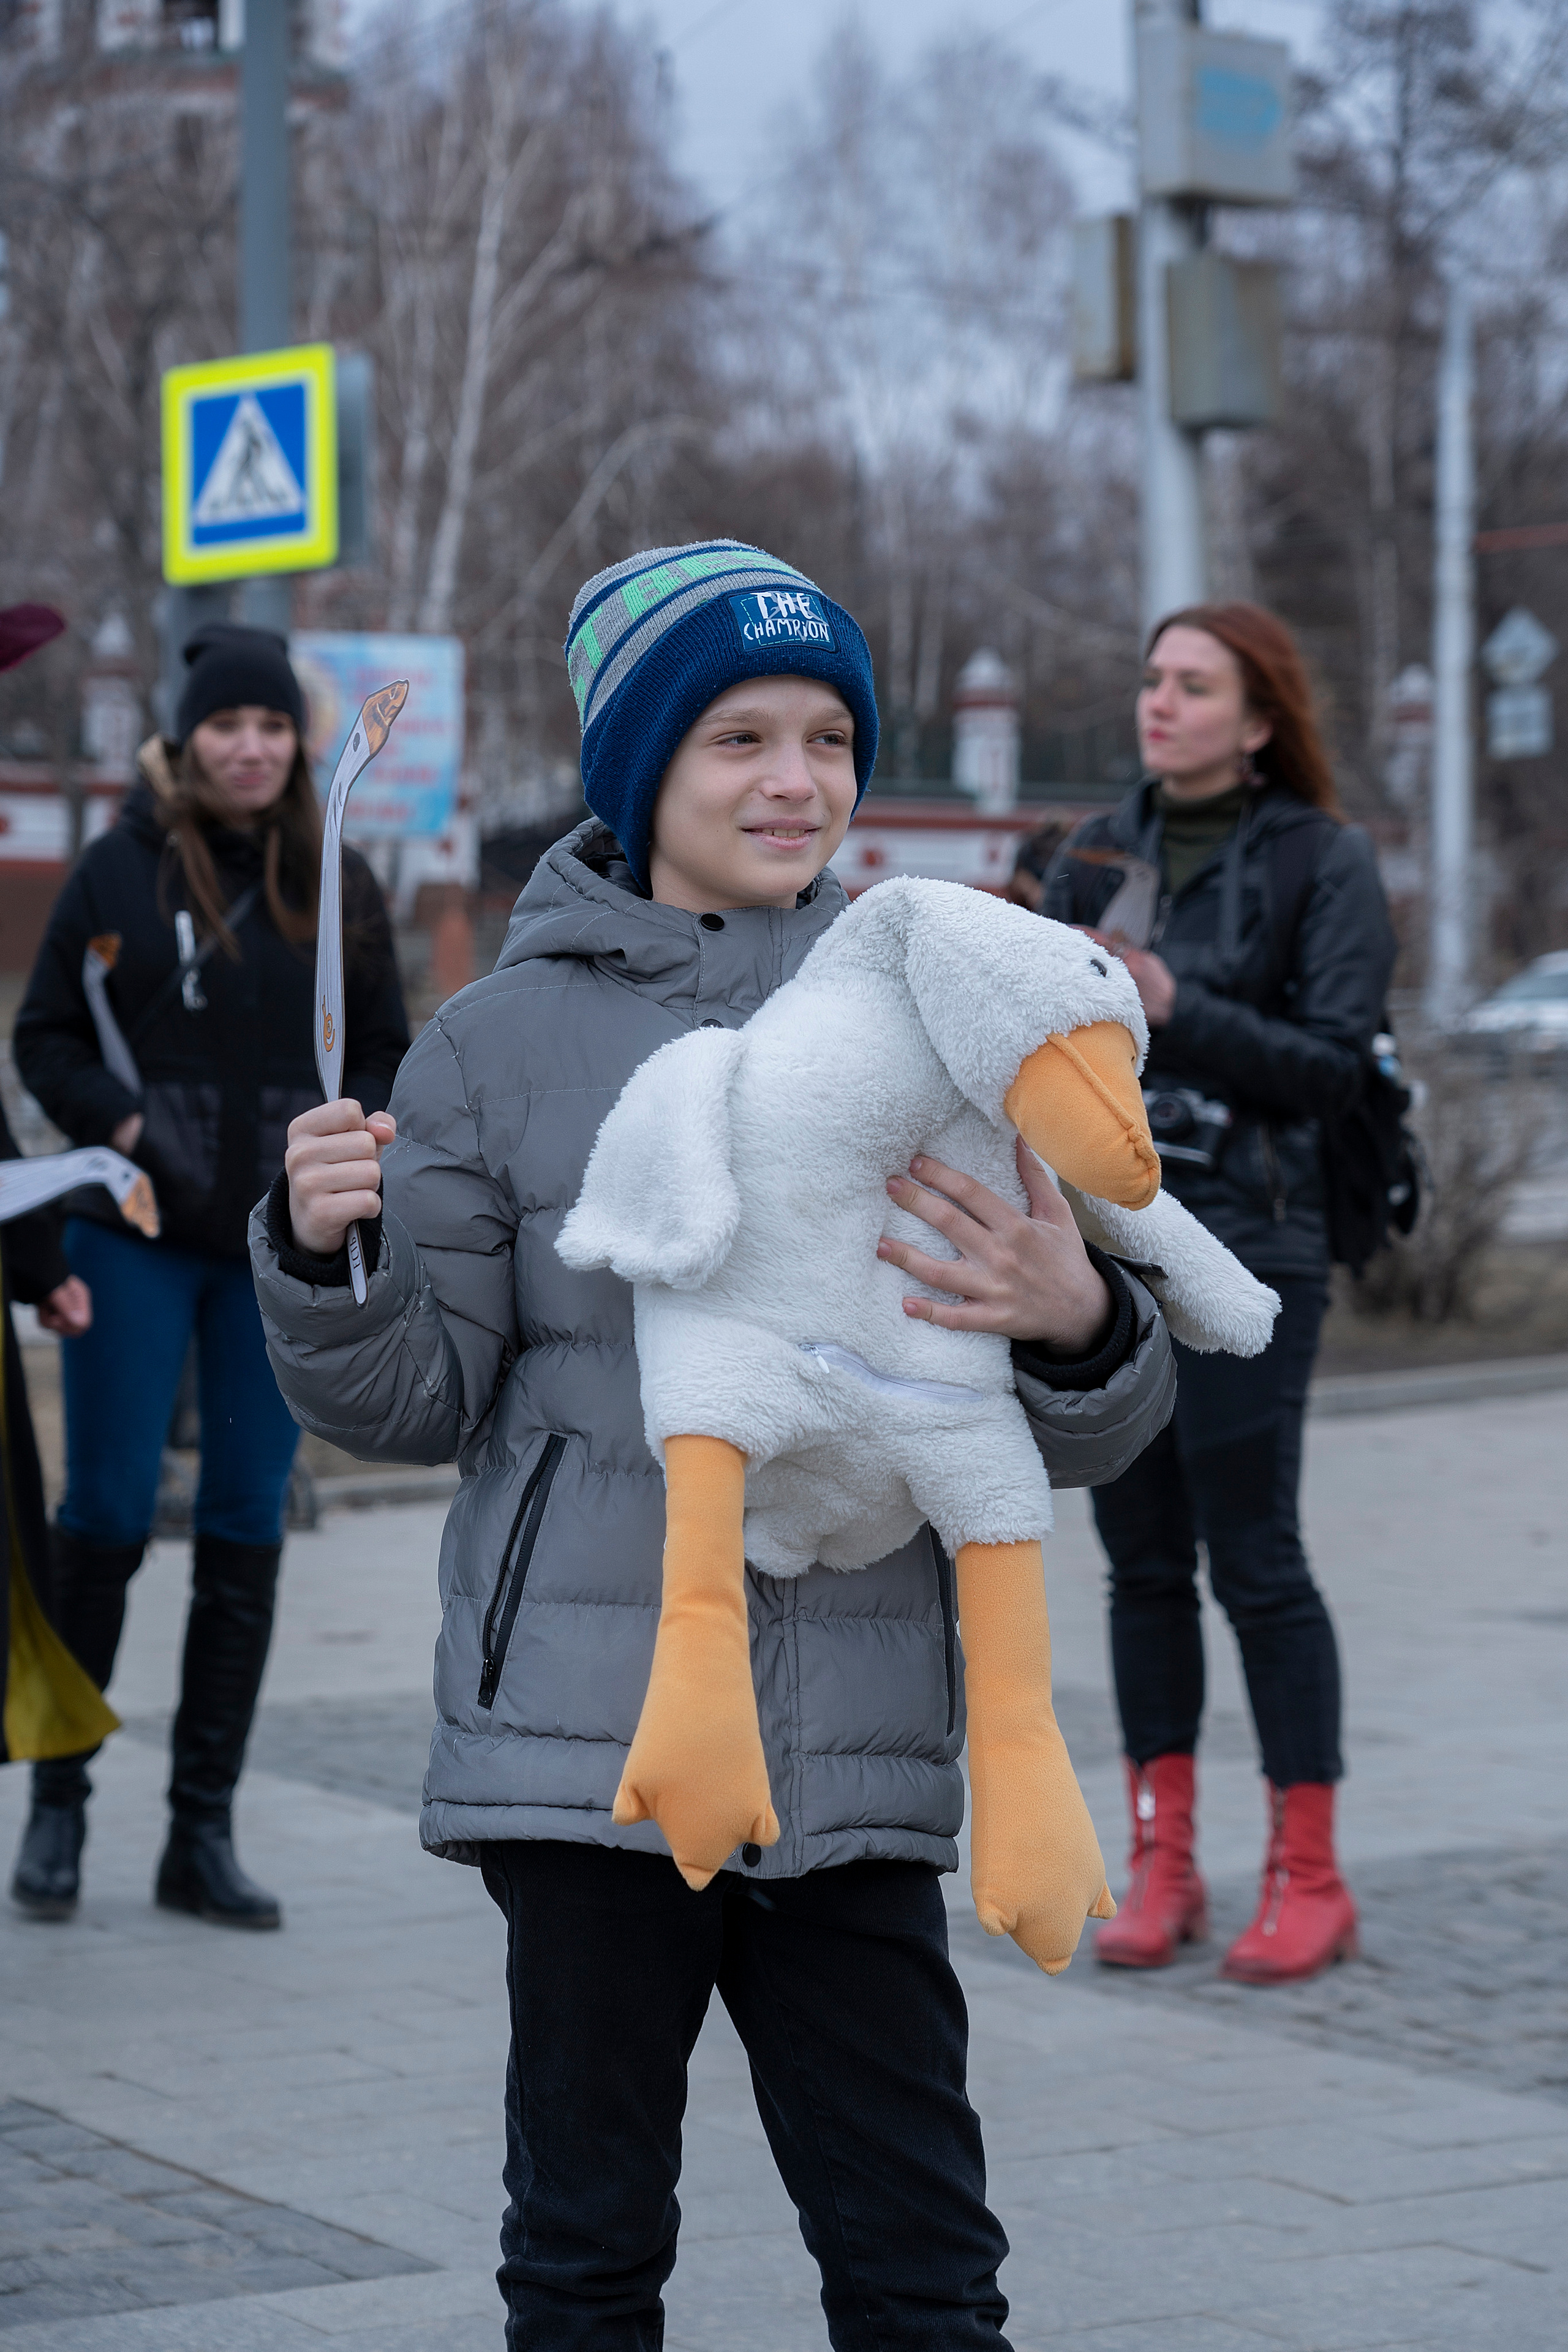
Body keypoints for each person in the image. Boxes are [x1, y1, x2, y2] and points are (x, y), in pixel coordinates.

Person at [252, 540, 1177, 2350]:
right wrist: (317, 1255)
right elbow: (410, 1403)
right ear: (639, 771)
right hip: (592, 1748)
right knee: (588, 2255)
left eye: (827, 736)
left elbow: (1081, 1432)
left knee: (924, 2264)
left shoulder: (940, 1010)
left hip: (865, 1743)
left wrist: (1080, 1324)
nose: (794, 779)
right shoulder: (492, 1049)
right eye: (737, 736)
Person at [9, 622, 409, 1929]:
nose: (251, 746)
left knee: (246, 1524)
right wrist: (119, 1129)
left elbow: (390, 1055)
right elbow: (47, 1036)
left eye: (273, 727)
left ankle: (202, 1833)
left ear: (298, 746)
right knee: (109, 1518)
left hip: (266, 1254)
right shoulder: (117, 874)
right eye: (227, 726)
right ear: (187, 741)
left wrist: (363, 1152)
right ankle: (59, 1809)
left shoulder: (339, 878)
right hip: (129, 1238)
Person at [1040, 602, 1396, 1984]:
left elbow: (1334, 1068)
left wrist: (1172, 999)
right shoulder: (1086, 850)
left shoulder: (1324, 860)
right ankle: (1161, 1865)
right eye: (1150, 680)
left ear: (1258, 721)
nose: (1159, 703)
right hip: (1110, 1239)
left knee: (1252, 1559)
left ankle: (1308, 1876)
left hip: (1255, 1236)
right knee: (1139, 1566)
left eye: (1193, 686)